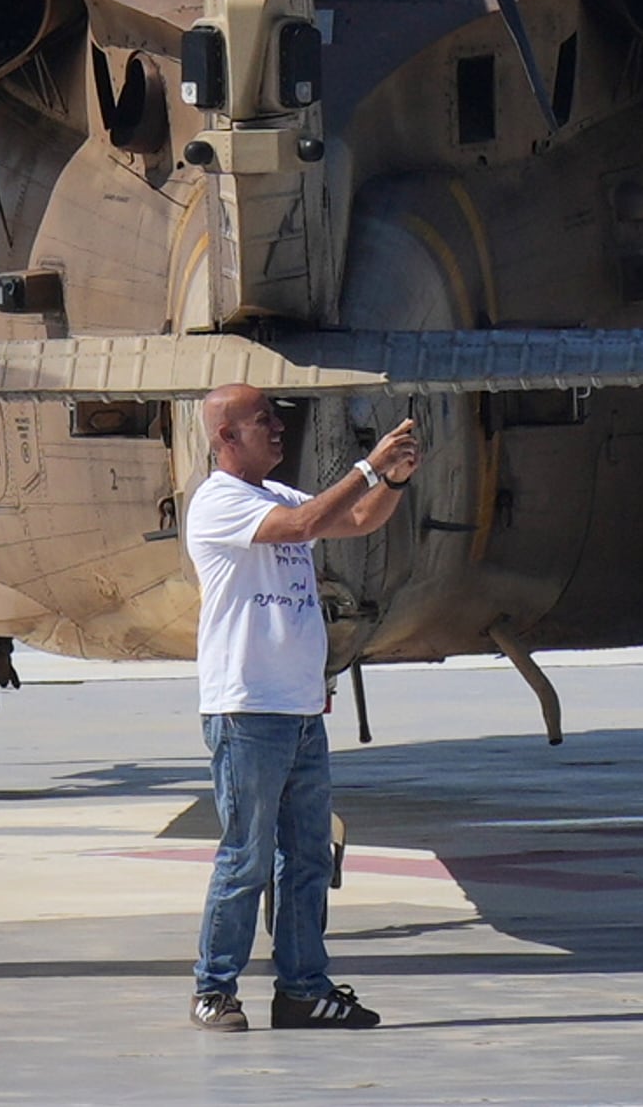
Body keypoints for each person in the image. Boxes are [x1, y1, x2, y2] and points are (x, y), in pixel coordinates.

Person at [185, 383, 420, 1033]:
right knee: (246, 856)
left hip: (299, 711)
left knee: (308, 856)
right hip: (248, 711)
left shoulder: (277, 496)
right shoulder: (219, 502)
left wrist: (393, 482)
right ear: (228, 437)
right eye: (263, 422)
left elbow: (357, 519)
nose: (278, 430)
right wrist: (369, 465)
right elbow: (310, 523)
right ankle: (215, 987)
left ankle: (301, 988)